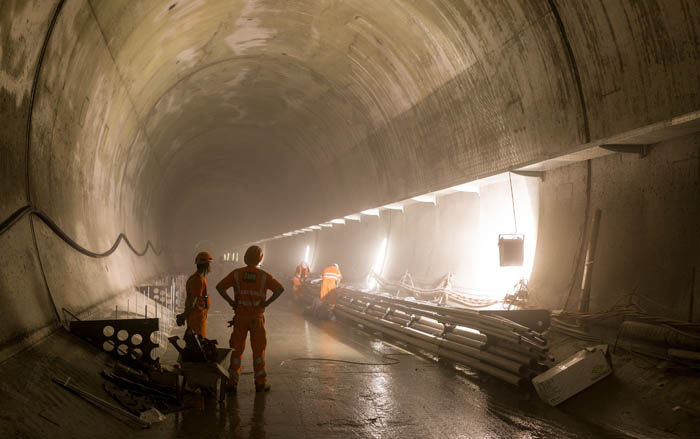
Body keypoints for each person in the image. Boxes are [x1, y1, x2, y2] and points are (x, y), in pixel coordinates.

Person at [216, 245, 284, 393]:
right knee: (258, 351)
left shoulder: (236, 274)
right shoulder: (264, 276)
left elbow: (220, 287)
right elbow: (280, 289)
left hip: (240, 318)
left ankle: (232, 383)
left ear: (245, 257)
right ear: (260, 258)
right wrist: (267, 302)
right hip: (256, 319)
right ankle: (260, 383)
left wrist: (231, 302)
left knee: (236, 350)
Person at [176, 251, 213, 338]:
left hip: (198, 315)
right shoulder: (198, 280)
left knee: (193, 338)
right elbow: (193, 300)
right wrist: (184, 315)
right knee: (197, 341)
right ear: (207, 266)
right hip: (196, 316)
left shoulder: (198, 278)